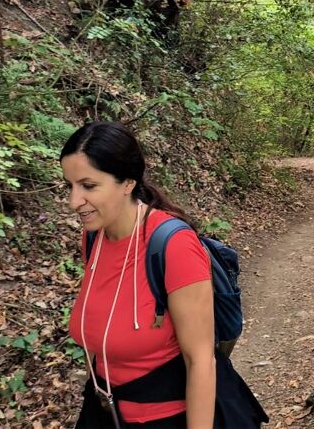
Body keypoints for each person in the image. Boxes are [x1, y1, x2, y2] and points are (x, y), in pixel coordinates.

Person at [62, 121, 267, 428]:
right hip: (104, 411)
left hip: (165, 418)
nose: (74, 201)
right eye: (70, 185)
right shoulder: (94, 238)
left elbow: (200, 362)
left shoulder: (172, 246)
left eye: (88, 186)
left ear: (127, 182)